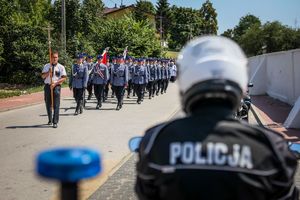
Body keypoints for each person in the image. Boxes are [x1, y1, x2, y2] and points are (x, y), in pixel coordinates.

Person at [135, 36, 299, 200]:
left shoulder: (155, 141)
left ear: (184, 82)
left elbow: (146, 194)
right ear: (240, 81)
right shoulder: (271, 148)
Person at [41, 51, 67, 128]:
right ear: (51, 58)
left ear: (58, 58)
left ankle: (55, 121)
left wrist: (55, 83)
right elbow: (43, 77)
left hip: (56, 87)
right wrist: (49, 72)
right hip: (47, 86)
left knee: (56, 104)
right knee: (48, 103)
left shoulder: (61, 67)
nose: (55, 59)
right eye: (53, 57)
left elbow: (64, 78)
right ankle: (50, 119)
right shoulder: (46, 66)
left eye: (56, 57)